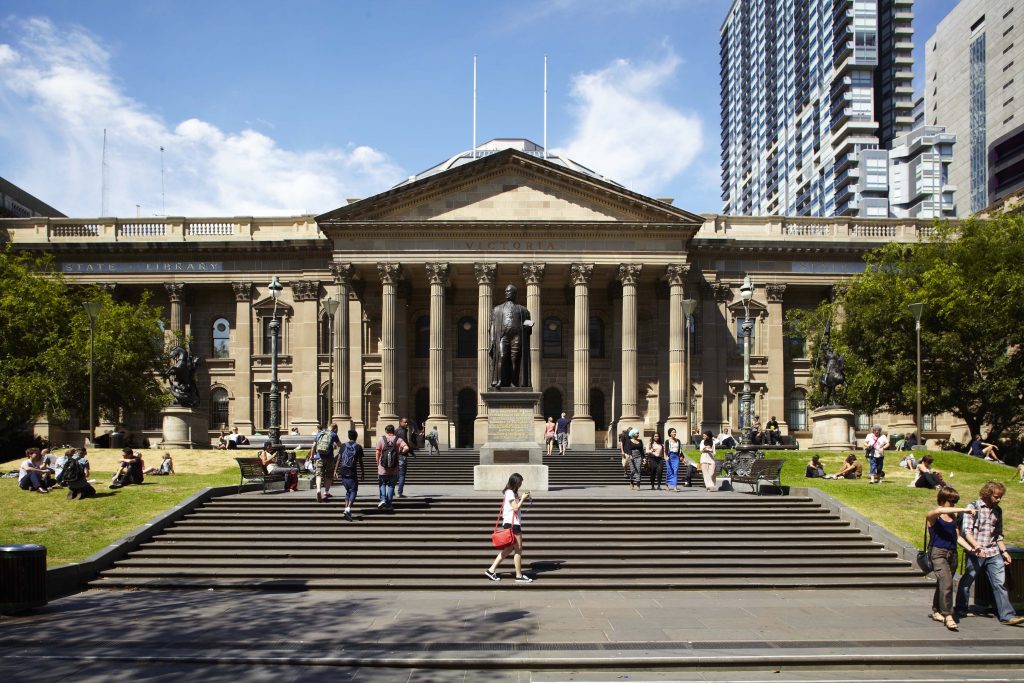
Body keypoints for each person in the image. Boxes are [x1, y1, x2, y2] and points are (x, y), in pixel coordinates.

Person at [955, 481, 1024, 626]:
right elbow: (966, 531)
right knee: (967, 580)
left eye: (1000, 497)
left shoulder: (998, 511)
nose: (998, 499)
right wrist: (976, 546)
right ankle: (960, 608)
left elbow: (998, 534)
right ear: (987, 494)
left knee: (999, 584)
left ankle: (1007, 616)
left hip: (993, 552)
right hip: (976, 552)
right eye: (996, 496)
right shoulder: (973, 507)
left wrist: (1004, 551)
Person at [926, 486, 973, 632]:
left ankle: (936, 611)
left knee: (942, 583)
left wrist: (971, 548)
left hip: (952, 553)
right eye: (951, 501)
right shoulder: (933, 515)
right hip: (938, 553)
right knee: (947, 584)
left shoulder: (953, 517)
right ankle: (948, 615)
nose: (953, 504)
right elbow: (940, 510)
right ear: (942, 500)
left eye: (955, 501)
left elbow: (957, 537)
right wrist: (963, 510)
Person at [484, 473, 533, 583]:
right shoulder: (510, 492)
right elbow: (515, 508)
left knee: (509, 549)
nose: (521, 484)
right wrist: (523, 499)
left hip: (510, 523)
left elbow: (513, 506)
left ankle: (491, 570)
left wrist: (519, 498)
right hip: (513, 525)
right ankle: (519, 576)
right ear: (515, 482)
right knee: (518, 550)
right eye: (520, 482)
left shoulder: (510, 493)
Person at [374, 424, 408, 510]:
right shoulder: (398, 439)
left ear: (386, 431)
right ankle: (389, 504)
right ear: (394, 431)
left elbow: (378, 452)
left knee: (382, 484)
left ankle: (383, 500)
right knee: (391, 486)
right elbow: (406, 448)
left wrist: (378, 462)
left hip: (383, 467)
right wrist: (400, 452)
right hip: (394, 467)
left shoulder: (381, 439)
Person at [337, 429, 365, 520]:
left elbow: (339, 459)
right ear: (356, 437)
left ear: (349, 437)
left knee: (348, 491)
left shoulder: (343, 446)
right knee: (353, 491)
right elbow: (360, 462)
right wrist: (362, 472)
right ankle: (348, 509)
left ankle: (346, 509)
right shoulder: (358, 447)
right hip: (352, 471)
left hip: (343, 470)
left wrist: (335, 471)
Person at [312, 423, 341, 503]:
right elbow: (340, 446)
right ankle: (326, 492)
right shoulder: (333, 434)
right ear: (335, 429)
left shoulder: (319, 433)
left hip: (319, 457)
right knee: (328, 475)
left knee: (318, 474)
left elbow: (313, 446)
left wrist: (312, 456)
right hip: (329, 458)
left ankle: (318, 490)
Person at [395, 417, 416, 498]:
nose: (406, 424)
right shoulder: (402, 431)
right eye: (405, 422)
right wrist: (412, 453)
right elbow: (405, 444)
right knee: (402, 475)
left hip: (396, 455)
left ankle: (392, 491)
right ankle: (399, 493)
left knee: (395, 474)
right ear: (401, 422)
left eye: (407, 422)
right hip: (402, 455)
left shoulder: (397, 430)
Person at [664, 427, 683, 492]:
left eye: (675, 432)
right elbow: (666, 450)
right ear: (670, 433)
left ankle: (675, 487)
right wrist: (666, 457)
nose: (674, 433)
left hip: (676, 457)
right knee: (669, 471)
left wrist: (681, 456)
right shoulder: (667, 441)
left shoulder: (678, 441)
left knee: (675, 471)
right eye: (673, 432)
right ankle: (667, 485)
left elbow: (680, 449)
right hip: (669, 456)